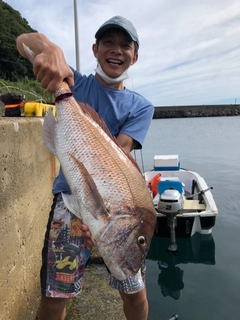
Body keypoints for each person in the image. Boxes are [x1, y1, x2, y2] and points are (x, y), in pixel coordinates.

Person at [16, 16, 154, 320]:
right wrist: (49, 48)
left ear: (135, 56)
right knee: (55, 297)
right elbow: (23, 41)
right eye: (108, 42)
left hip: (114, 210)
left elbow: (118, 155)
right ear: (95, 48)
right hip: (69, 205)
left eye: (125, 45)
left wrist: (101, 223)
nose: (116, 50)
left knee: (135, 293)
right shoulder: (72, 82)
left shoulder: (141, 106)